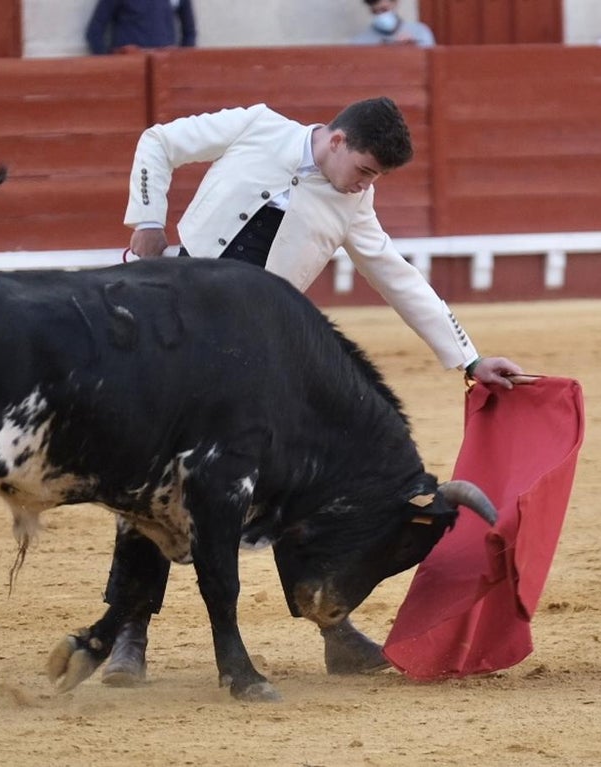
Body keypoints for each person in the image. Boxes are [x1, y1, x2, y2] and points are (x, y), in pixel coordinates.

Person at [105, 97, 525, 685]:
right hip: (177, 325)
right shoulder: (257, 126)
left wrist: (469, 357)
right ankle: (130, 630)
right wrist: (148, 220)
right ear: (336, 141)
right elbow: (159, 141)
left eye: (375, 178)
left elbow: (398, 277)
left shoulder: (354, 205)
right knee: (155, 474)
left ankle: (334, 626)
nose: (366, 185)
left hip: (258, 350)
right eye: (365, 170)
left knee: (297, 476)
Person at [86, 0, 196, 55]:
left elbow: (189, 32)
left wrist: (180, 61)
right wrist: (111, 62)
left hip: (165, 69)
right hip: (128, 70)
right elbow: (94, 31)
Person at [351, 0, 435, 47]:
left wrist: (411, 48)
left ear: (395, 3)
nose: (380, 15)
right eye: (375, 12)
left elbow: (430, 62)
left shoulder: (420, 32)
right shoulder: (361, 41)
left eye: (384, 10)